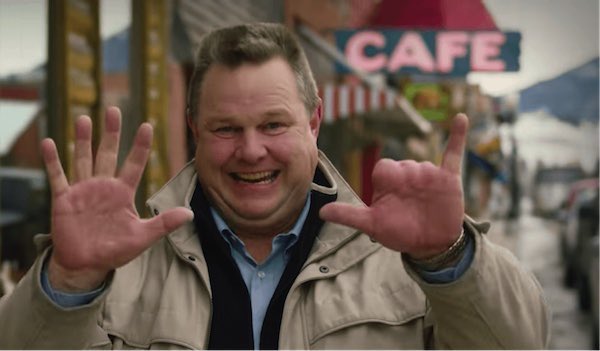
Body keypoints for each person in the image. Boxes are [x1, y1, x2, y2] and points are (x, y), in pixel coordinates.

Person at [0, 23, 549, 349]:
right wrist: (69, 284)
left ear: (314, 122)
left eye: (273, 125)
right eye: (225, 129)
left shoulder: (402, 260)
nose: (251, 150)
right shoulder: (118, 268)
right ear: (195, 131)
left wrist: (447, 258)